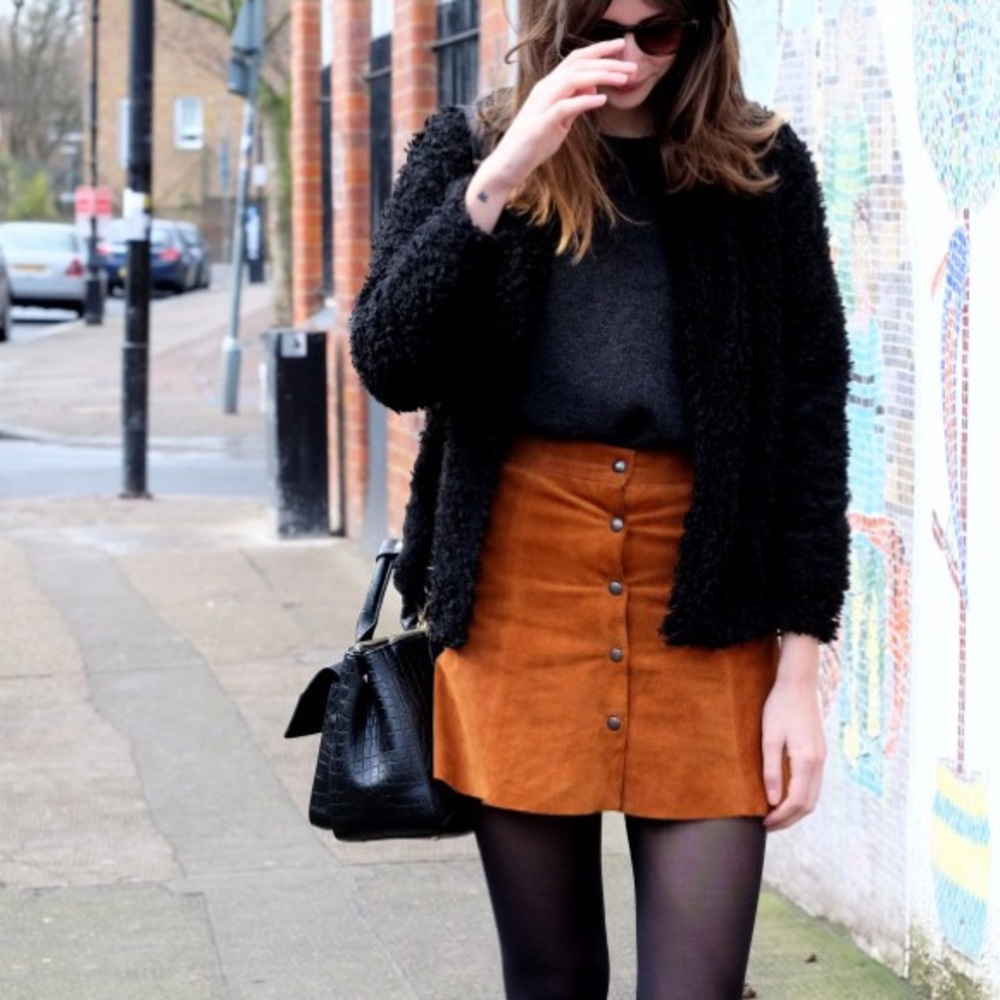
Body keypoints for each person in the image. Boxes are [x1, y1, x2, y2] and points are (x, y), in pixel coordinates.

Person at [349, 0, 850, 996]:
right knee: (552, 976)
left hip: (706, 602)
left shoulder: (762, 169)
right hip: (518, 592)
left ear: (700, 29)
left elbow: (810, 417)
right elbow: (391, 359)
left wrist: (799, 669)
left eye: (656, 28)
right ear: (550, 22)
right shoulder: (472, 147)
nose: (625, 54)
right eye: (595, 28)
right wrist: (506, 171)